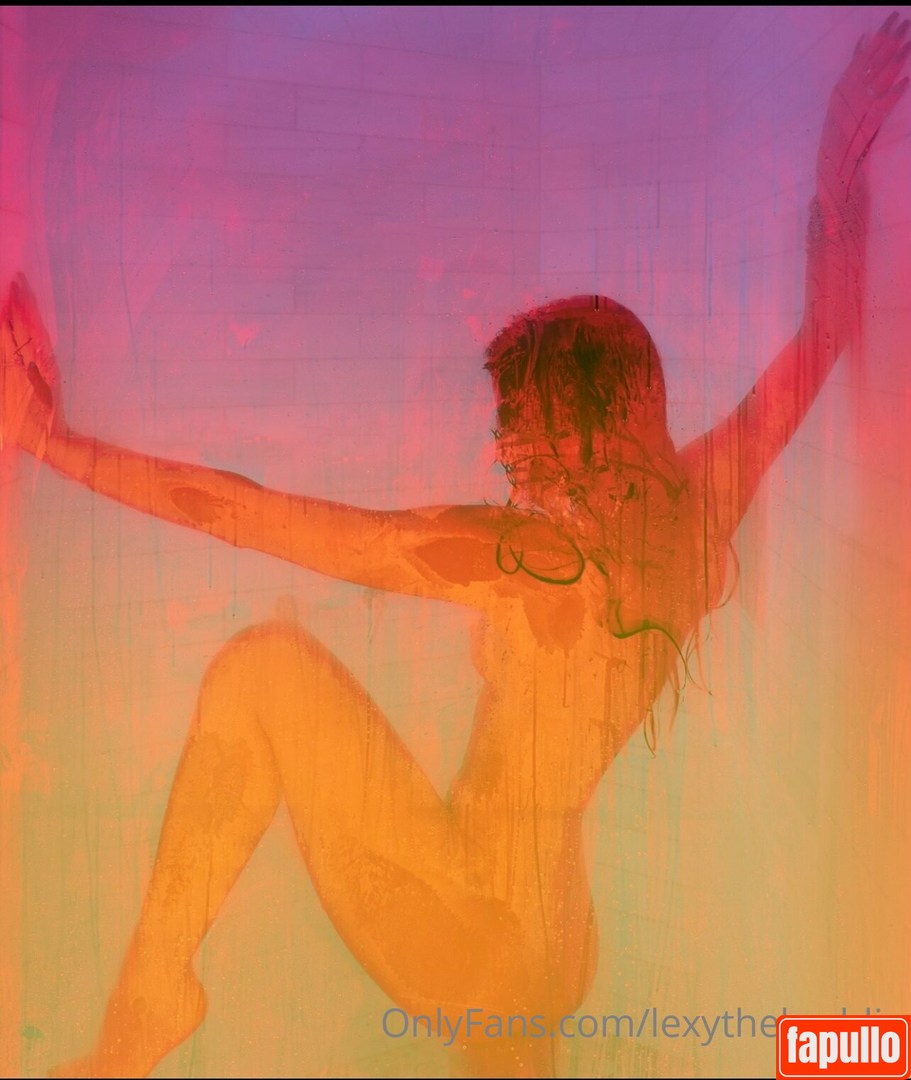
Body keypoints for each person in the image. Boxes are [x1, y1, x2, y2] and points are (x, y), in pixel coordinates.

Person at [1, 15, 907, 1080]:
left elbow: (244, 512)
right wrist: (841, 140)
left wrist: (46, 441)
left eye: (523, 431)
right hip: (551, 944)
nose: (508, 455)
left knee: (262, 671)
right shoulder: (704, 499)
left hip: (477, 927)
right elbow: (822, 335)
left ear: (588, 428)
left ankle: (148, 1004)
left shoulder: (531, 566)